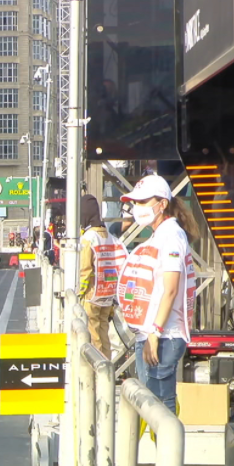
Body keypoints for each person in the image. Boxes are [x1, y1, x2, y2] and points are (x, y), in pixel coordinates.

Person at [116, 175, 198, 414]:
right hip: (151, 334)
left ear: (162, 204)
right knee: (152, 404)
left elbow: (171, 288)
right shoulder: (159, 235)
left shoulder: (171, 236)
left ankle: (166, 450)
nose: (136, 207)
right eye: (135, 202)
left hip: (164, 335)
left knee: (159, 406)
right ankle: (159, 448)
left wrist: (155, 333)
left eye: (142, 202)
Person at [78, 195, 126, 357]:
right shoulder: (109, 237)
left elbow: (85, 271)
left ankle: (98, 375)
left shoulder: (88, 239)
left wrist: (79, 294)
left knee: (93, 338)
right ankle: (108, 371)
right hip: (108, 295)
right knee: (104, 336)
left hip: (92, 296)